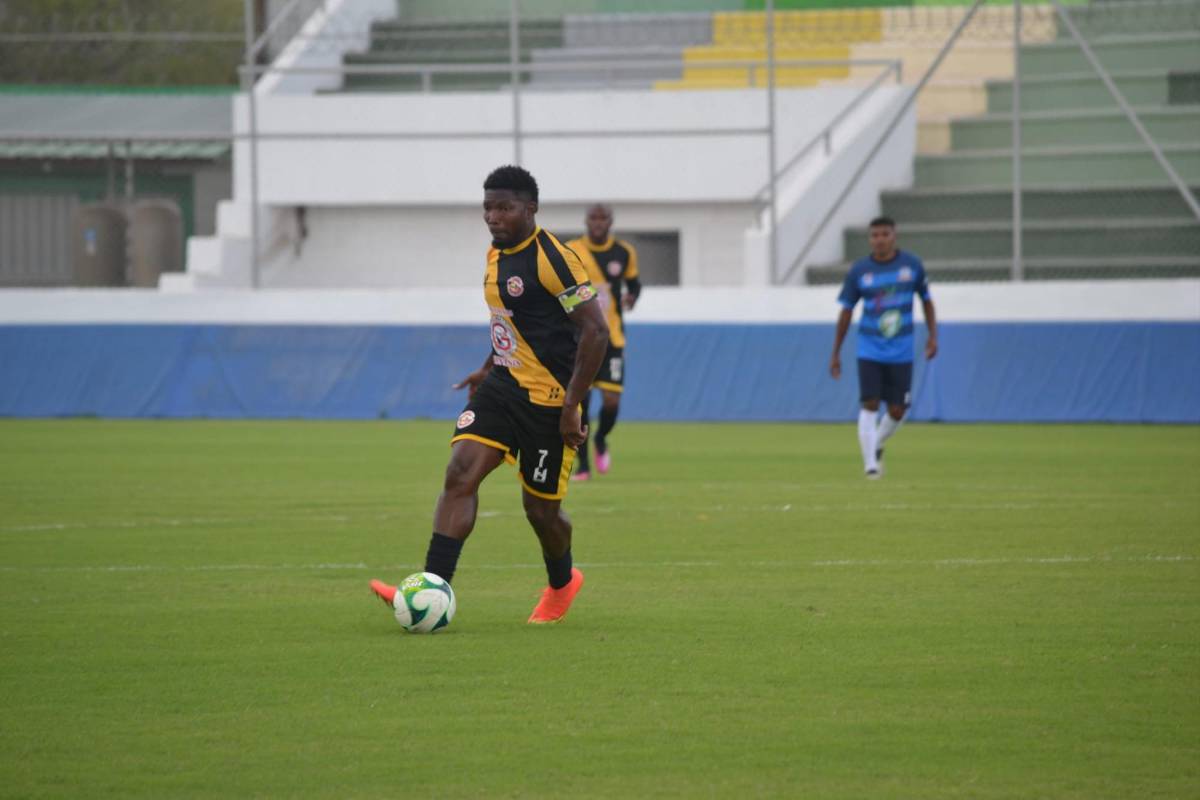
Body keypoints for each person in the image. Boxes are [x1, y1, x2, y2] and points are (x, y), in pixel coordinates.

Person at [370, 165, 609, 624]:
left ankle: (563, 582)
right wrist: (488, 365)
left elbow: (595, 332)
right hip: (503, 387)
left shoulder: (554, 260)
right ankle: (430, 591)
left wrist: (571, 405)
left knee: (541, 512)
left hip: (549, 403)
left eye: (504, 208)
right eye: (487, 207)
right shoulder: (496, 253)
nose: (493, 217)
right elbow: (513, 320)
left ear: (530, 208)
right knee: (460, 472)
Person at [829, 216, 937, 479]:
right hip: (870, 348)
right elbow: (846, 311)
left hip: (901, 350)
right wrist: (836, 352)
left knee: (898, 410)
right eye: (874, 235)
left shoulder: (911, 266)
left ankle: (875, 443)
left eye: (884, 234)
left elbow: (926, 301)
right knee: (870, 403)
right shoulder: (859, 271)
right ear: (870, 239)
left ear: (894, 236)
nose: (879, 240)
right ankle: (871, 467)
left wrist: (933, 336)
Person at [565, 204, 642, 480]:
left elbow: (634, 284)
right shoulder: (572, 250)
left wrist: (632, 297)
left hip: (612, 338)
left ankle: (600, 438)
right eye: (593, 218)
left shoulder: (624, 252)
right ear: (586, 221)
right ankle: (584, 465)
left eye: (603, 218)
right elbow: (562, 288)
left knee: (611, 402)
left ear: (610, 222)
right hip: (581, 339)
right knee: (581, 403)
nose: (598, 223)